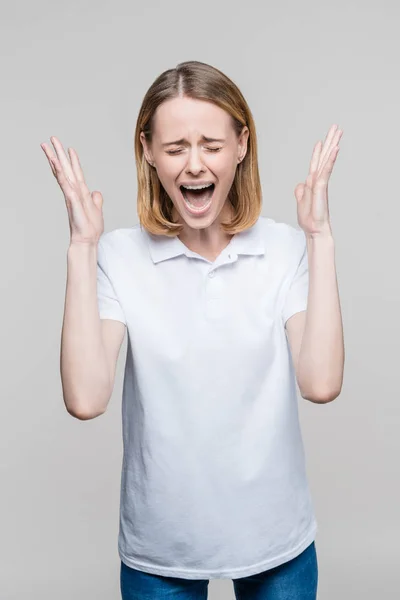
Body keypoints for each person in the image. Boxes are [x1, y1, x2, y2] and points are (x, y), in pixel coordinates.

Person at [41, 60, 344, 600]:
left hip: (277, 542)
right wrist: (81, 247)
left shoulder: (284, 250)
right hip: (161, 549)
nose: (195, 164)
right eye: (176, 146)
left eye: (211, 143)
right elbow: (85, 398)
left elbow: (321, 384)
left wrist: (319, 237)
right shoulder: (117, 255)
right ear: (148, 152)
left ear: (241, 145)